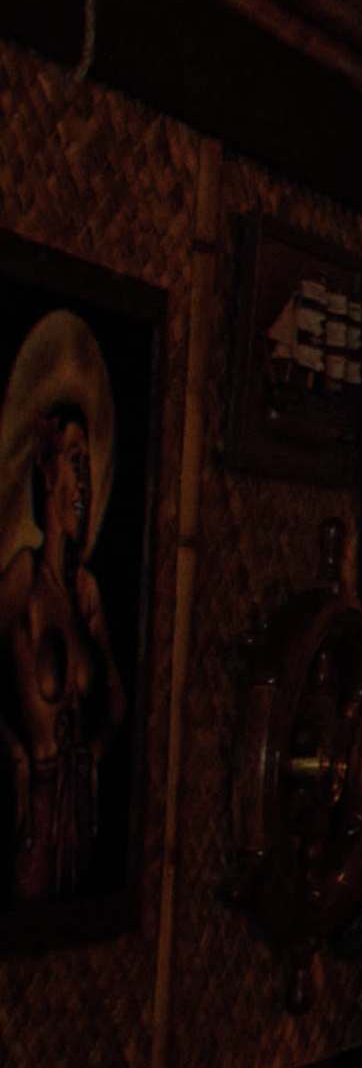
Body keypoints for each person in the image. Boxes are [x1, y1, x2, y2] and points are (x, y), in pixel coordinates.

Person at [0, 310, 126, 902]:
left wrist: (95, 755)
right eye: (73, 460)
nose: (83, 479)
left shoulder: (85, 593)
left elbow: (117, 703)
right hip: (33, 823)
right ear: (45, 471)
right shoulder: (22, 578)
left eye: (88, 463)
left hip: (81, 827)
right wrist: (19, 756)